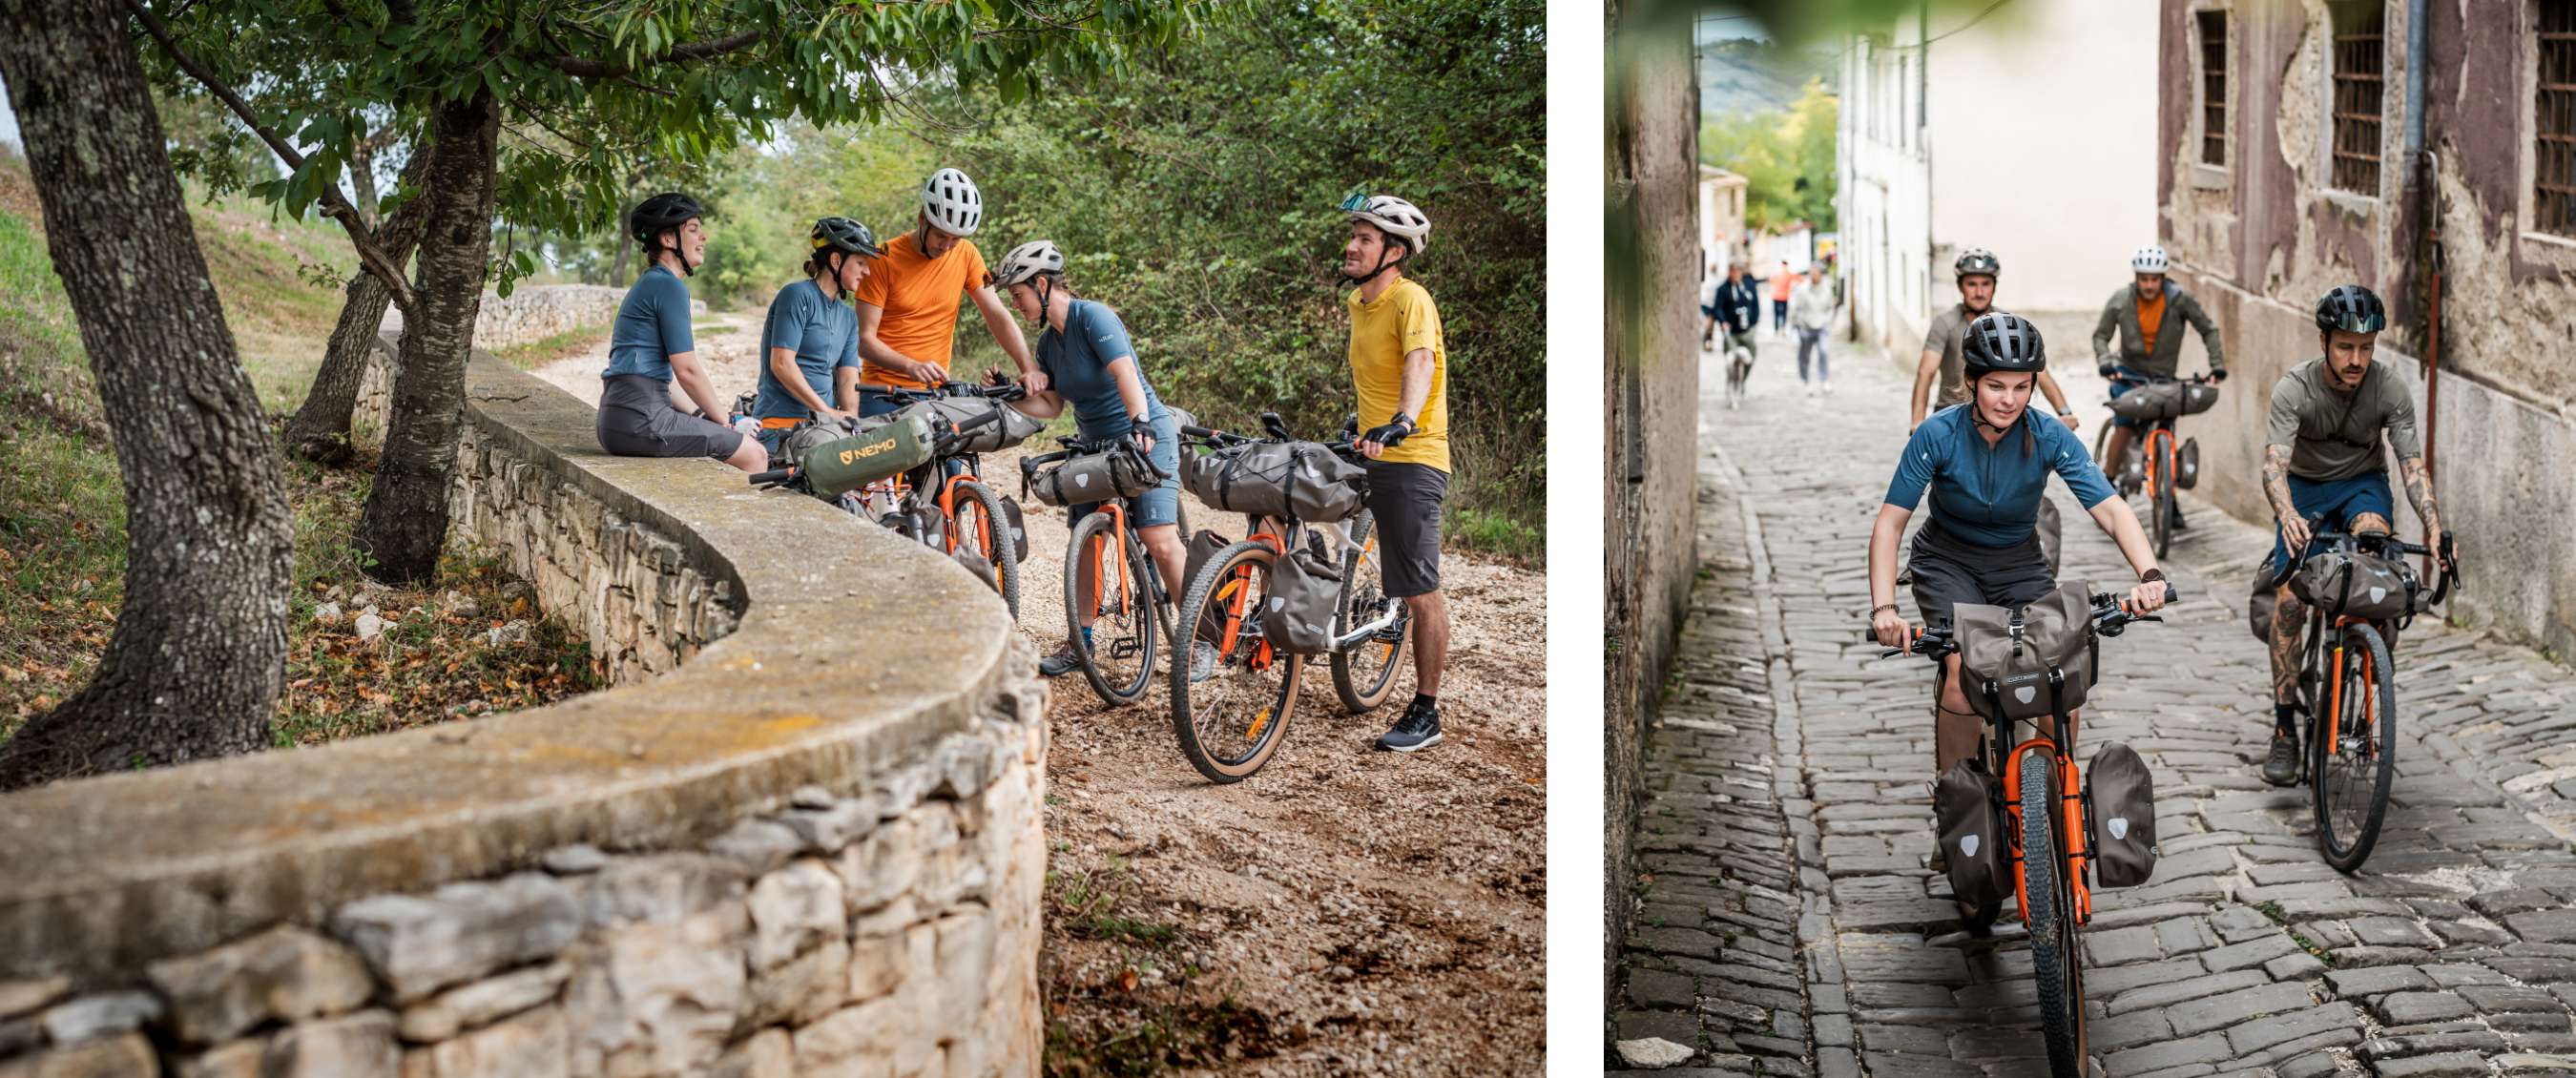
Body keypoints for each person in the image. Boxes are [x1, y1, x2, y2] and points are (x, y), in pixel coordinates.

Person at [1867, 312, 2167, 810]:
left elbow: (2112, 510)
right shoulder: (1937, 435)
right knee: (1963, 677)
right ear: (1971, 381)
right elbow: (1889, 525)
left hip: (2020, 563)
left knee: (2058, 680)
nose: (2009, 399)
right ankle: (1957, 802)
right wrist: (1884, 609)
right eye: (1996, 386)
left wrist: (2149, 575)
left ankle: (2053, 804)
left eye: (2021, 387)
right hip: (1948, 562)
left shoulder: (2048, 435)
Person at [2255, 284, 2455, 786]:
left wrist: (2434, 528)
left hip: (2363, 487)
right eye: (2345, 347)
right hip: (2305, 490)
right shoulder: (2294, 389)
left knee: (2377, 558)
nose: (2356, 359)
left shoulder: (2389, 388)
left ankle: (2369, 665)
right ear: (2324, 341)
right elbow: (2274, 466)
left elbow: (2412, 467)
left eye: (2366, 348)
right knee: (2291, 603)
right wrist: (2288, 515)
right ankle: (2284, 728)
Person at [987, 240, 1190, 680]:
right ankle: (1081, 643)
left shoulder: (1093, 317)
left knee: (1158, 539)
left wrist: (1140, 424)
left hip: (1143, 434)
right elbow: (1051, 407)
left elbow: (1125, 372)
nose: (1016, 304)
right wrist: (1011, 394)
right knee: (1087, 541)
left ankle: (1201, 638)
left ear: (1042, 285)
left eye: (1018, 294)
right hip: (1095, 448)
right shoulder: (1048, 344)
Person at [1339, 192, 1451, 754]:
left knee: (1419, 589)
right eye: (1353, 236)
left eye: (1365, 239)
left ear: (1395, 251)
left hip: (1412, 457)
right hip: (1371, 449)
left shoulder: (1411, 299)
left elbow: (1420, 362)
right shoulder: (1359, 303)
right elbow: (1374, 375)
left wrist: (1403, 420)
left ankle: (1427, 712)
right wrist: (1361, 423)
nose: (1352, 246)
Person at [852, 168, 1047, 419]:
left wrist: (1028, 367)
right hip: (883, 393)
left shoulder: (966, 254)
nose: (946, 246)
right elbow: (864, 342)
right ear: (922, 219)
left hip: (936, 394)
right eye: (940, 236)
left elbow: (996, 314)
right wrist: (910, 366)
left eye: (955, 239)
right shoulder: (882, 259)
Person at [595, 192, 766, 473]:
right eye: (693, 229)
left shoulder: (650, 283)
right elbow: (687, 370)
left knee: (718, 441)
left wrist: (704, 416)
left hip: (617, 420)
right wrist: (729, 421)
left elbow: (660, 380)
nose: (703, 237)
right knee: (755, 454)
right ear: (668, 239)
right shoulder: (669, 286)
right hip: (644, 419)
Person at [2092, 244, 2228, 526]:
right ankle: (2107, 482)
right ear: (2136, 277)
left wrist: (2217, 365)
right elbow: (2101, 335)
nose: (2149, 285)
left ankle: (2170, 498)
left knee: (2167, 431)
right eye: (2144, 279)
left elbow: (2208, 329)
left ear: (2163, 278)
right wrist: (2105, 362)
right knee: (2125, 425)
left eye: (2155, 279)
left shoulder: (2180, 300)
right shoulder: (2121, 299)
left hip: (2164, 378)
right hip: (2129, 375)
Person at [1911, 248, 2080, 434]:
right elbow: (1926, 372)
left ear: (1994, 286)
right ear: (1960, 287)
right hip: (1952, 415)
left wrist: (2065, 413)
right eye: (1971, 284)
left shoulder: (2008, 324)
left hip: (1998, 413)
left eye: (1986, 284)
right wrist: (1917, 421)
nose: (1979, 292)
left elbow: (2040, 373)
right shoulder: (1944, 323)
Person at [748, 218, 880, 455]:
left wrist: (850, 417)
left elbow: (848, 376)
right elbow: (781, 363)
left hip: (822, 428)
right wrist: (826, 412)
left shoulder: (848, 317)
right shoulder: (797, 295)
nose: (867, 271)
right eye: (861, 262)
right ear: (836, 260)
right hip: (781, 425)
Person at [1788, 261, 1838, 395]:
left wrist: (1827, 320)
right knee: (1804, 356)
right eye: (1812, 273)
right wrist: (1799, 324)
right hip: (1806, 327)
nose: (1813, 275)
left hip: (1822, 326)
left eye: (1816, 273)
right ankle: (1805, 381)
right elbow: (1796, 309)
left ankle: (1824, 380)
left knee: (1824, 351)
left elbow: (1830, 307)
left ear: (1820, 274)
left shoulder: (1826, 289)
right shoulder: (1802, 290)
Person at [1713, 261, 1760, 362]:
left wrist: (1754, 323)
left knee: (1749, 357)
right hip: (1731, 331)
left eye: (1738, 272)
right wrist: (1723, 321)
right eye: (1733, 271)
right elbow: (1718, 308)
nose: (1735, 274)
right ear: (1729, 272)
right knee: (1731, 358)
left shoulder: (1749, 286)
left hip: (1747, 330)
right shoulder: (1723, 289)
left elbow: (1755, 305)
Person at [1698, 259, 1724, 349]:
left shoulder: (1719, 279)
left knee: (1712, 326)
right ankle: (1706, 342)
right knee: (1709, 324)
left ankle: (1709, 342)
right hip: (1707, 305)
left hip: (1715, 306)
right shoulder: (1708, 279)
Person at [1768, 259, 1793, 336]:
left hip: (1776, 296)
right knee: (1784, 314)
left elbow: (1771, 281)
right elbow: (1796, 279)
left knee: (1776, 314)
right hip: (1784, 297)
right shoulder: (1788, 273)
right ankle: (1783, 330)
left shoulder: (1776, 273)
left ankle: (1776, 330)